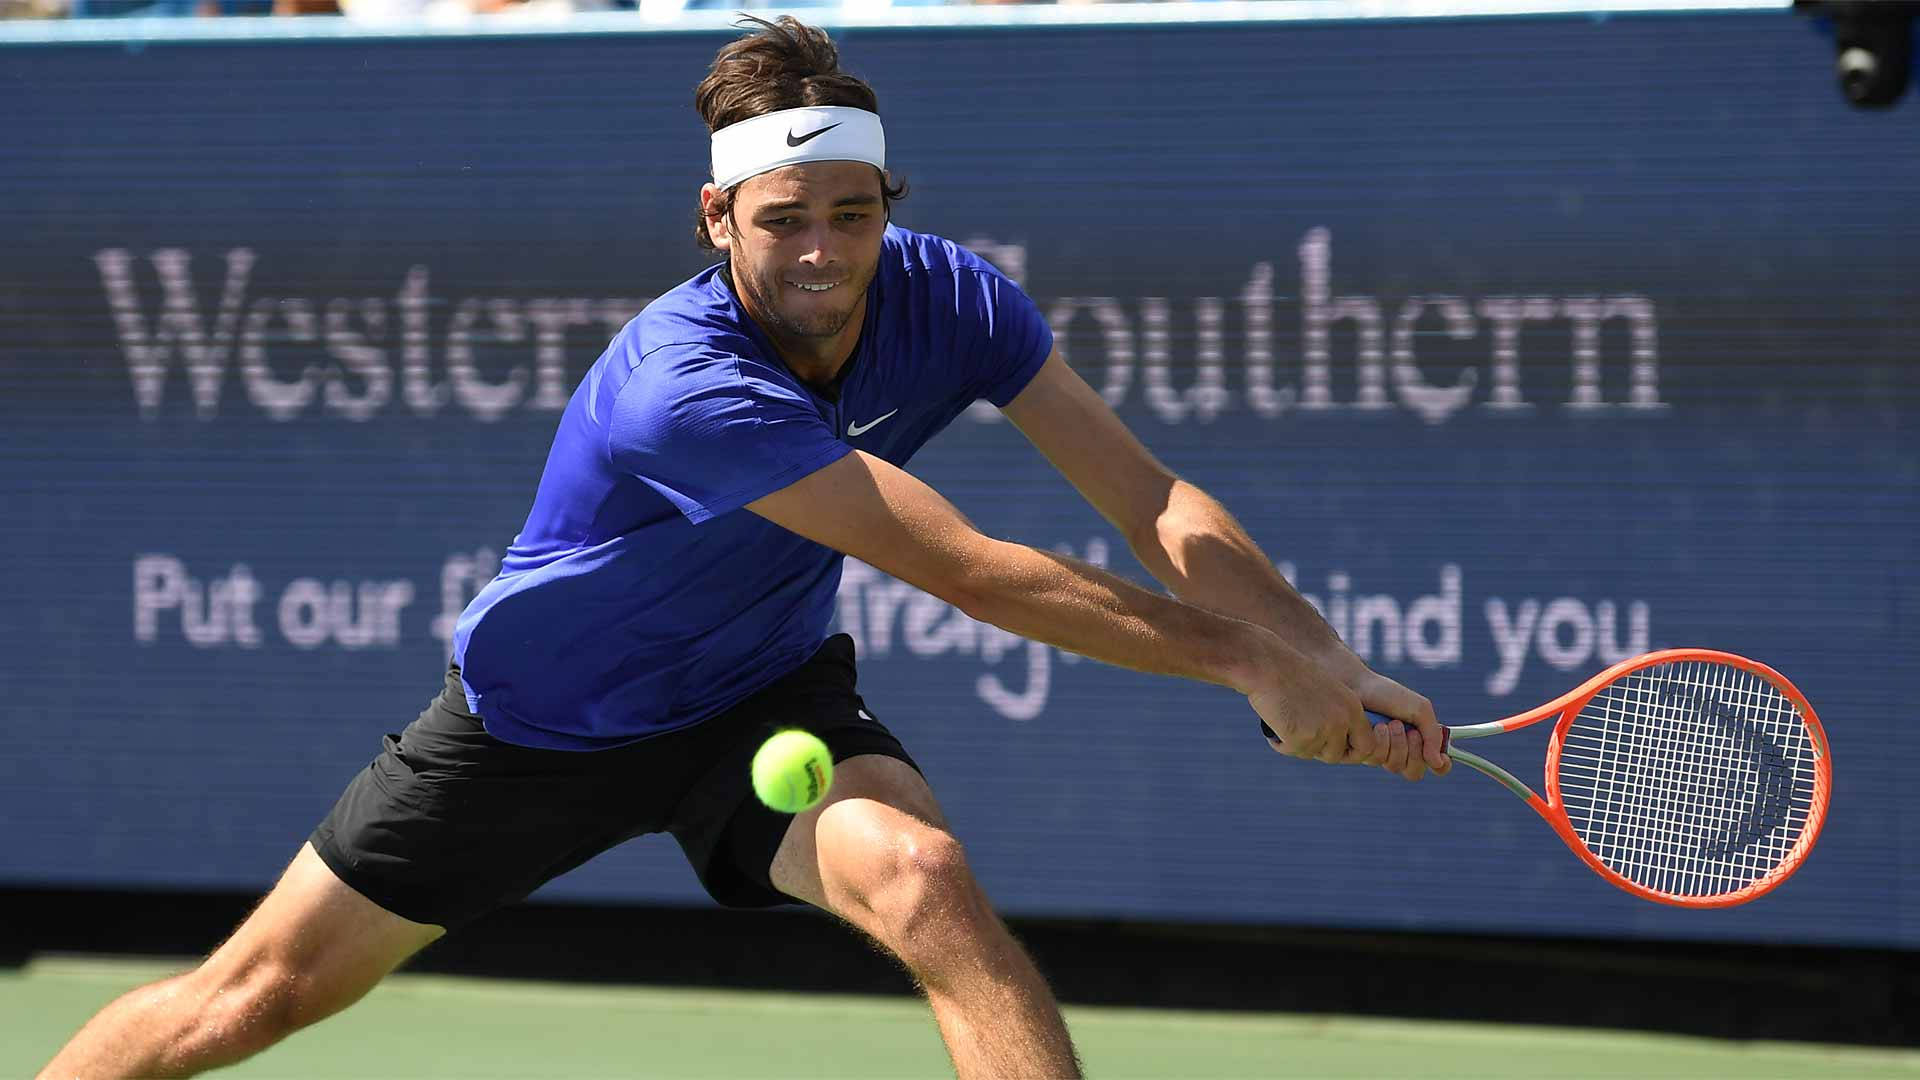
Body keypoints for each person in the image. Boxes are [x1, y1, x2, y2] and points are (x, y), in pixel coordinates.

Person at [38, 15, 1449, 1080]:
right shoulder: (682, 382)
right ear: (719, 219)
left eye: (855, 213)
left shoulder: (949, 296)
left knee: (928, 883)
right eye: (786, 221)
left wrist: (1321, 656)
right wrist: (1249, 669)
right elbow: (962, 564)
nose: (827, 251)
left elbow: (1153, 501)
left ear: (890, 203)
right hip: (538, 724)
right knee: (247, 1000)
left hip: (759, 697)